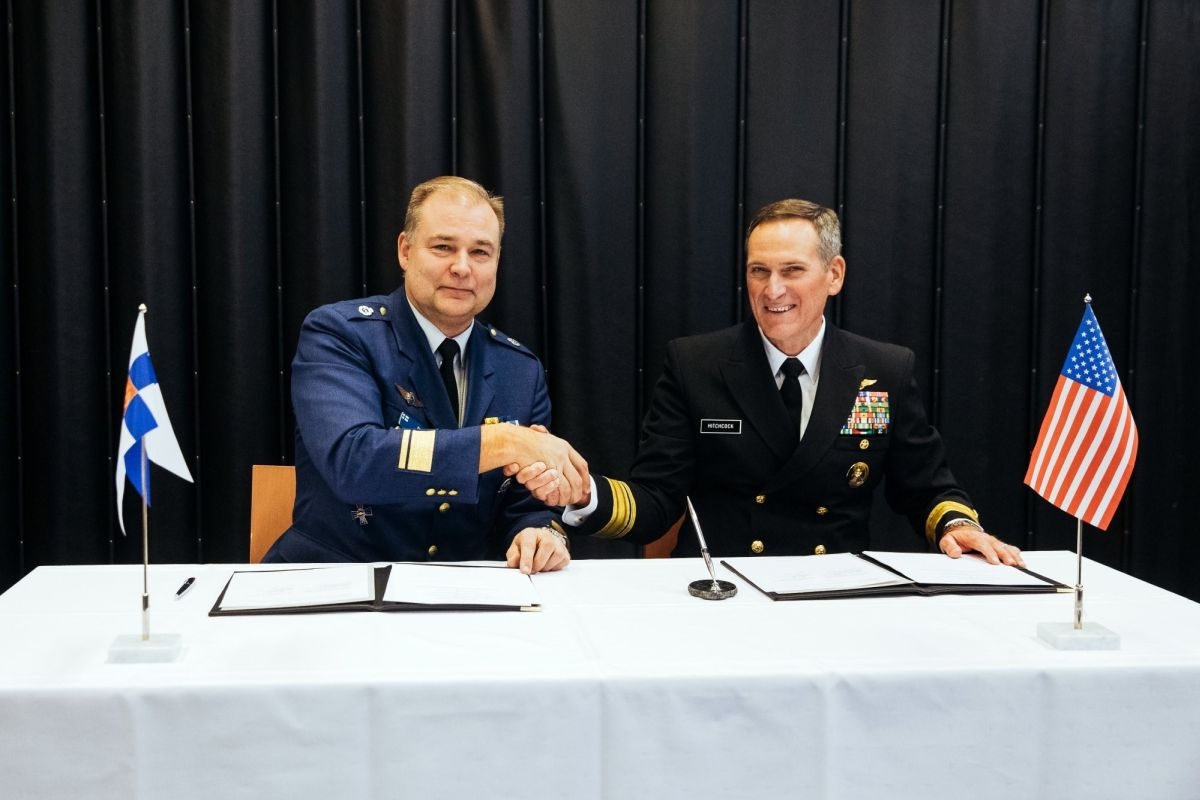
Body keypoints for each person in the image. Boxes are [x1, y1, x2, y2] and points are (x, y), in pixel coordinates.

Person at [528, 198, 1023, 565]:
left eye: (792, 270)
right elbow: (658, 499)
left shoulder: (883, 371)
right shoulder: (696, 364)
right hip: (726, 590)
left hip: (834, 594)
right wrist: (584, 493)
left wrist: (957, 525)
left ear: (834, 274)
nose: (774, 289)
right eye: (758, 271)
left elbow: (927, 488)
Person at [264, 176, 586, 573]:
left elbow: (523, 503)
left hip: (461, 593)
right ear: (405, 250)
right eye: (443, 247)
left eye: (481, 252)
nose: (462, 267)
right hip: (339, 580)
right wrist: (504, 440)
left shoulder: (519, 369)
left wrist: (540, 531)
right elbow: (354, 460)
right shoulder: (340, 334)